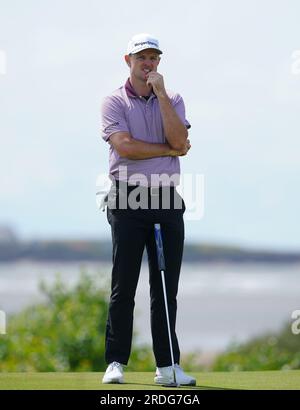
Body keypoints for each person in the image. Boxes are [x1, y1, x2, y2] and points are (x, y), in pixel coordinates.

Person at [100, 33, 196, 386]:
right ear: (128, 60)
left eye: (154, 58)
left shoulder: (173, 99)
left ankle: (168, 367)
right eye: (142, 57)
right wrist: (170, 151)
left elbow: (180, 139)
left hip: (167, 200)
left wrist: (161, 96)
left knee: (164, 288)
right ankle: (115, 362)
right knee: (123, 285)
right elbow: (124, 147)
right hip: (128, 199)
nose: (148, 63)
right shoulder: (113, 101)